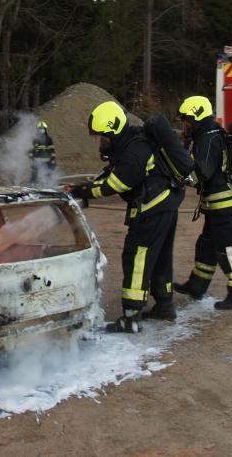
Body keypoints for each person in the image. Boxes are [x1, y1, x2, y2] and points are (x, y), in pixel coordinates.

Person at [68, 101, 184, 332]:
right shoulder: (130, 144)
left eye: (102, 137)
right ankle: (164, 305)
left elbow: (116, 184)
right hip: (163, 205)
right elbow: (111, 174)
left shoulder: (134, 151)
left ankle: (131, 317)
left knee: (136, 257)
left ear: (112, 131)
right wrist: (85, 186)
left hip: (152, 208)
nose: (100, 142)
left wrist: (82, 191)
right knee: (159, 257)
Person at [174, 96, 232, 310]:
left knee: (227, 249)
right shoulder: (207, 134)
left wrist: (180, 178)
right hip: (214, 204)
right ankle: (196, 286)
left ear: (198, 117)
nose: (185, 125)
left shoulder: (209, 138)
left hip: (221, 205)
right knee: (206, 246)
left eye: (187, 120)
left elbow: (202, 172)